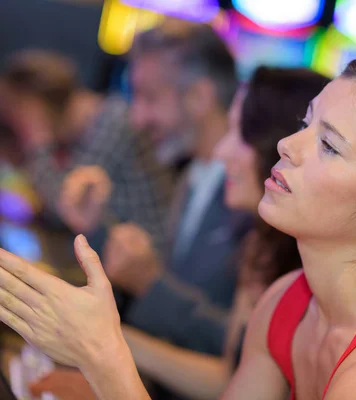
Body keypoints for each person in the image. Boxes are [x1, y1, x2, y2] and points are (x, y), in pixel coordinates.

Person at [0, 55, 356, 400]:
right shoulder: (285, 300)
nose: (284, 146)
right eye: (305, 124)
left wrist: (104, 354)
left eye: (327, 145)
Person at [29, 67, 330, 400]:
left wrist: (110, 344)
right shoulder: (260, 242)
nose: (221, 152)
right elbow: (230, 375)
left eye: (240, 134)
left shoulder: (302, 270)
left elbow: (220, 364)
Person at [100, 20, 244, 356]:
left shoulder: (255, 199)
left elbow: (244, 349)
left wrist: (151, 285)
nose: (137, 118)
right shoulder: (191, 175)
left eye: (149, 97)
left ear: (199, 97)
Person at [0, 48, 173, 252]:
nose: (18, 131)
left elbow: (64, 208)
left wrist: (37, 139)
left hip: (149, 261)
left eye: (18, 119)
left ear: (34, 106)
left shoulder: (112, 123)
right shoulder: (86, 129)